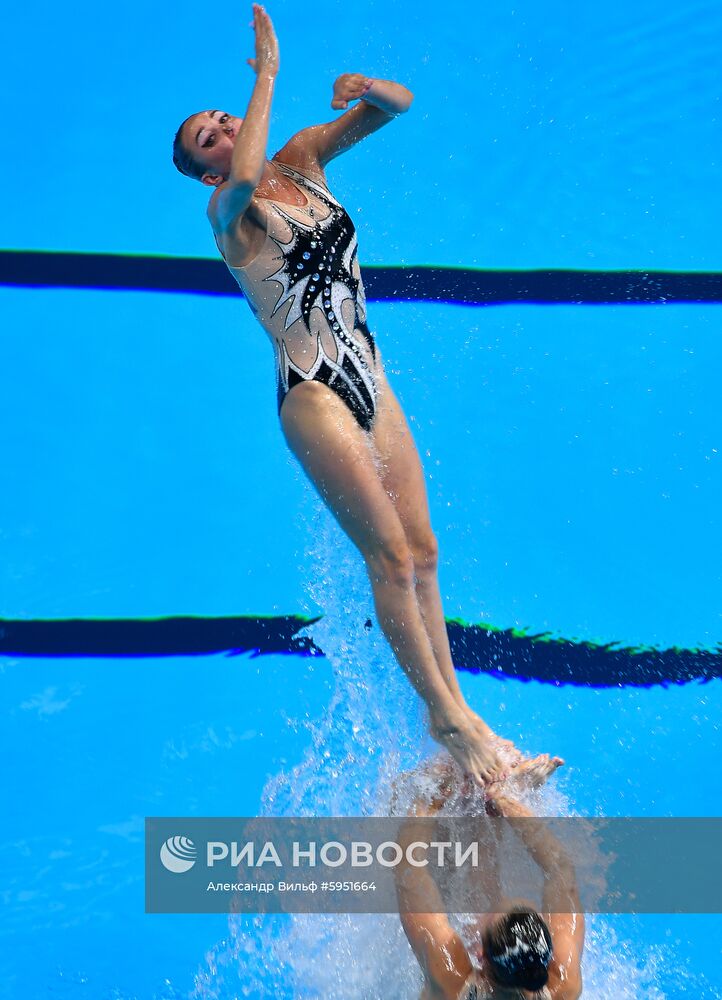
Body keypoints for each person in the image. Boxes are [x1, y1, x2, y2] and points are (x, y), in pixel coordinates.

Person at [172, 4, 514, 785]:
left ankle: (462, 723)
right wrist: (267, 76)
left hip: (372, 378)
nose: (224, 130)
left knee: (426, 552)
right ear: (206, 170)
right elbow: (247, 172)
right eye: (208, 137)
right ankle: (450, 723)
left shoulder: (303, 158)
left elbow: (399, 106)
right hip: (313, 393)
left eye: (223, 118)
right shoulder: (228, 212)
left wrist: (366, 86)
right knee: (389, 559)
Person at [395, 755, 584, 1000]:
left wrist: (432, 795)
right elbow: (561, 870)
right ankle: (488, 800)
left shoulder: (450, 979)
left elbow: (408, 870)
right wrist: (507, 801)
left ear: (480, 955)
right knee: (480, 854)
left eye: (490, 916)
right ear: (549, 957)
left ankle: (476, 796)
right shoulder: (563, 985)